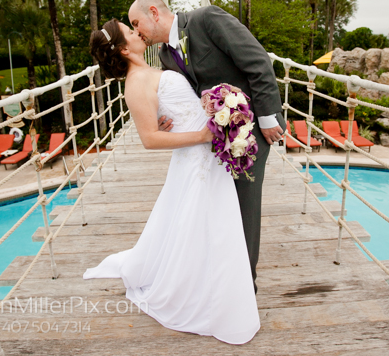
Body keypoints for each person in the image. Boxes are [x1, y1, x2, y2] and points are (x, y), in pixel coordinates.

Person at [82, 18, 260, 345]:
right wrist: (204, 134)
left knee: (213, 223)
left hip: (208, 153)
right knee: (206, 222)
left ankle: (219, 285)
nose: (138, 33)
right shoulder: (135, 83)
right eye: (131, 31)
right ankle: (204, 294)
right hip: (197, 155)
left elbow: (172, 110)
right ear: (124, 48)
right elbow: (149, 139)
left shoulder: (154, 67)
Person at [128, 0, 284, 294]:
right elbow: (189, 95)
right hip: (214, 137)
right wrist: (166, 119)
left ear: (153, 13)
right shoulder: (164, 56)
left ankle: (243, 287)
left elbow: (257, 60)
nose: (137, 32)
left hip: (250, 126)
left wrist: (266, 115)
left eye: (137, 24)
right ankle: (222, 273)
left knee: (245, 204)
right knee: (222, 204)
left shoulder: (207, 19)